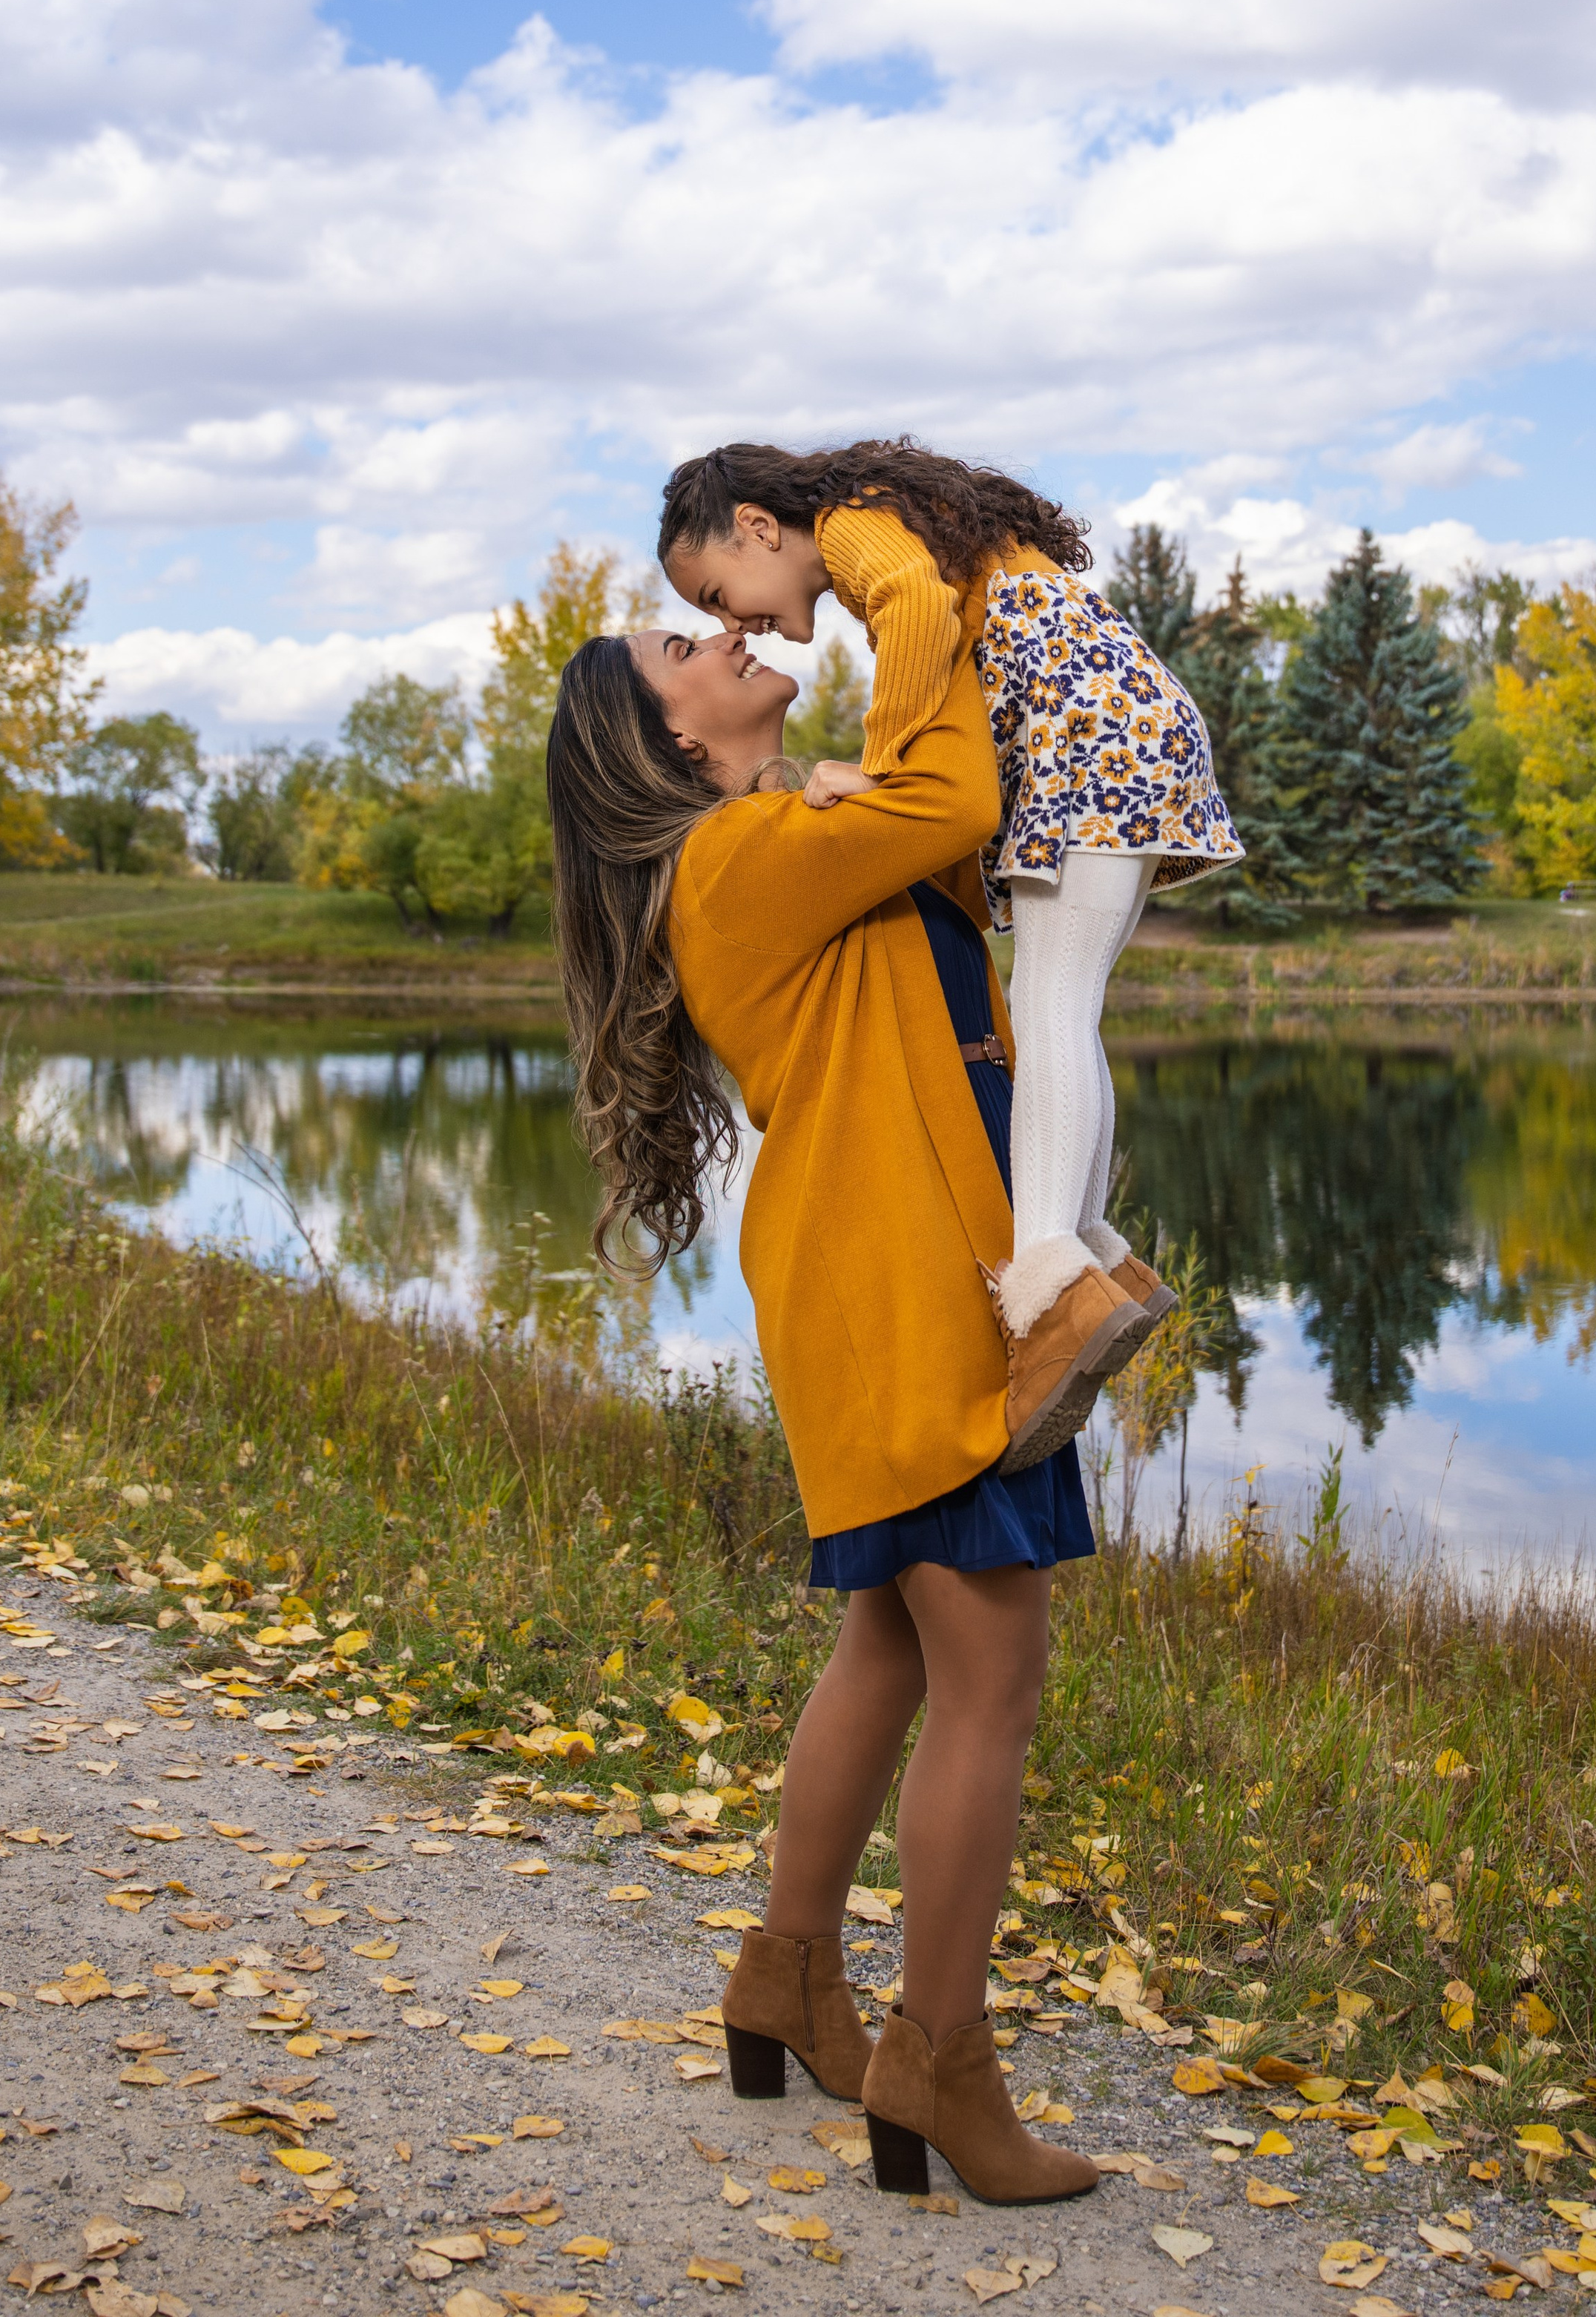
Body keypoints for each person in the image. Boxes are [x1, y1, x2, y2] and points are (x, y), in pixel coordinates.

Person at [546, 612, 1098, 2206]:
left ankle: (787, 1978)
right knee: (989, 1670)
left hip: (886, 1262)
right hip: (897, 1277)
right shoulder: (732, 857)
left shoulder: (765, 841)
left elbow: (931, 860)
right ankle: (941, 2070)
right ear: (662, 735)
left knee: (895, 1639)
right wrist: (898, 584)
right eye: (681, 640)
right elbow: (959, 806)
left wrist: (833, 785)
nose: (724, 629)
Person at [658, 438, 1245, 1463]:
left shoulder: (851, 528)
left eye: (718, 590)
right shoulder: (896, 521)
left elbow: (921, 615)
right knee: (1068, 1007)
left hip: (1090, 737)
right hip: (1111, 731)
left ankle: (1052, 1268)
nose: (729, 621)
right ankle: (1091, 1253)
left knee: (1056, 1006)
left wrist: (882, 770)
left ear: (757, 527)